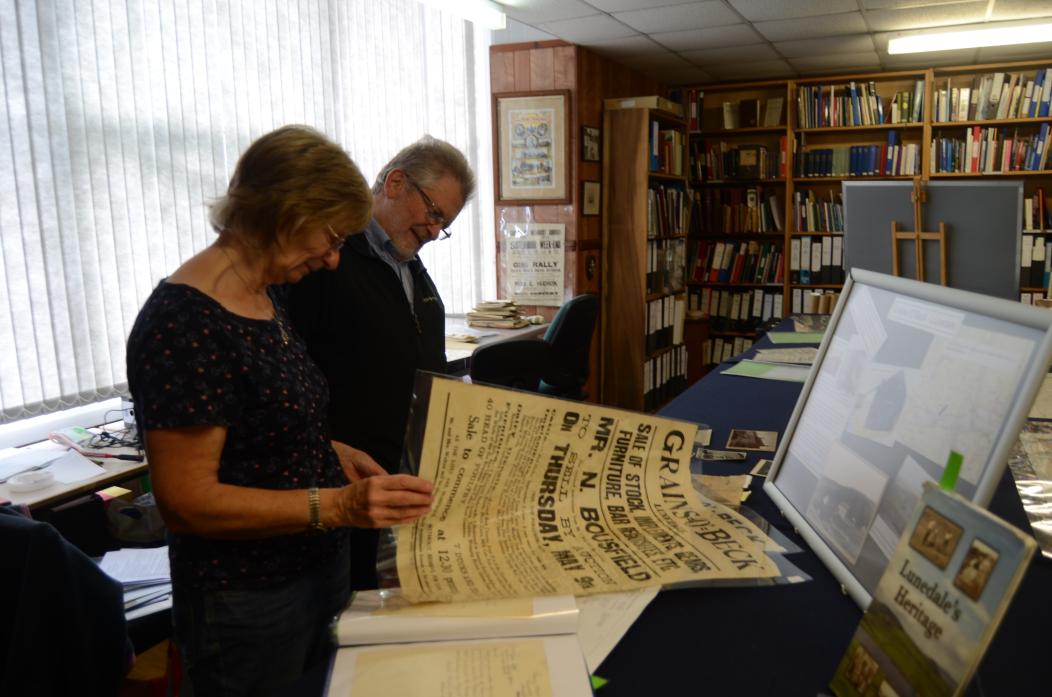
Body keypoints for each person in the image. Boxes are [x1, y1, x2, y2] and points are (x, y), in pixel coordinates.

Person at [125, 125, 434, 696]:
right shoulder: (186, 321)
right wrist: (339, 504)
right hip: (248, 598)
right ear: (284, 214)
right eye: (331, 237)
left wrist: (331, 452)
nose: (334, 259)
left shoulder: (264, 296)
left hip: (317, 570)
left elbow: (262, 423)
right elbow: (187, 501)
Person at [287, 135, 475, 588]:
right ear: (395, 183)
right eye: (433, 214)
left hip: (399, 475)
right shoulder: (326, 261)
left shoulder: (411, 267)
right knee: (342, 610)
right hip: (338, 480)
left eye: (443, 224)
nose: (434, 232)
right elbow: (292, 372)